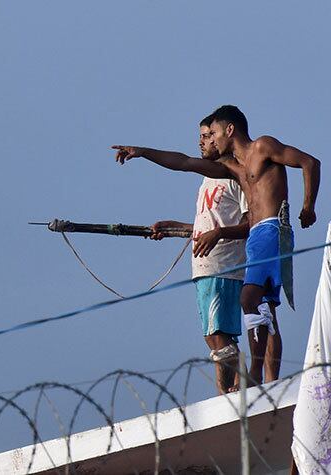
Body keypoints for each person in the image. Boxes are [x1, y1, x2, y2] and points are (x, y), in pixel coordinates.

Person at [113, 105, 320, 385]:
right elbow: (184, 162)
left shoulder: (263, 146)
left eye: (214, 133)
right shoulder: (233, 168)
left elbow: (310, 162)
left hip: (271, 229)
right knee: (265, 309)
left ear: (230, 130)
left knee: (249, 299)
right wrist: (142, 151)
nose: (211, 138)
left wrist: (308, 207)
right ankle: (267, 383)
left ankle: (258, 380)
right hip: (259, 236)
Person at [147, 115, 249, 394]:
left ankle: (242, 386)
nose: (202, 141)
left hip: (223, 265)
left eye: (208, 135)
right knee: (213, 335)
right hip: (204, 266)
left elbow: (249, 223)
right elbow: (208, 223)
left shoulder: (235, 175)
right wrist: (177, 228)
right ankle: (226, 393)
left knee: (218, 336)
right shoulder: (208, 180)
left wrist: (217, 235)